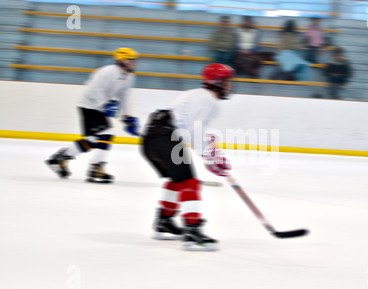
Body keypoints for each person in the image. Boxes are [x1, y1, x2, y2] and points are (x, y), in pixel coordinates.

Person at [140, 63, 234, 251]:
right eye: (228, 81)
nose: (230, 85)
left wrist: (211, 154)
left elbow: (192, 129)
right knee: (190, 183)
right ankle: (192, 230)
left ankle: (164, 222)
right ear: (218, 82)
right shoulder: (209, 100)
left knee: (178, 180)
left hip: (151, 138)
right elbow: (195, 129)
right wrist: (210, 158)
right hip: (166, 138)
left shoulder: (196, 94)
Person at [46, 47, 140, 183]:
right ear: (121, 60)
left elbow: (124, 96)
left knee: (93, 140)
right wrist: (105, 104)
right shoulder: (108, 72)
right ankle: (96, 168)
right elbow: (93, 90)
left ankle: (59, 158)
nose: (133, 63)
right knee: (106, 135)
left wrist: (127, 116)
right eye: (130, 60)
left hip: (98, 107)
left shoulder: (129, 77)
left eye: (134, 60)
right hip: (89, 105)